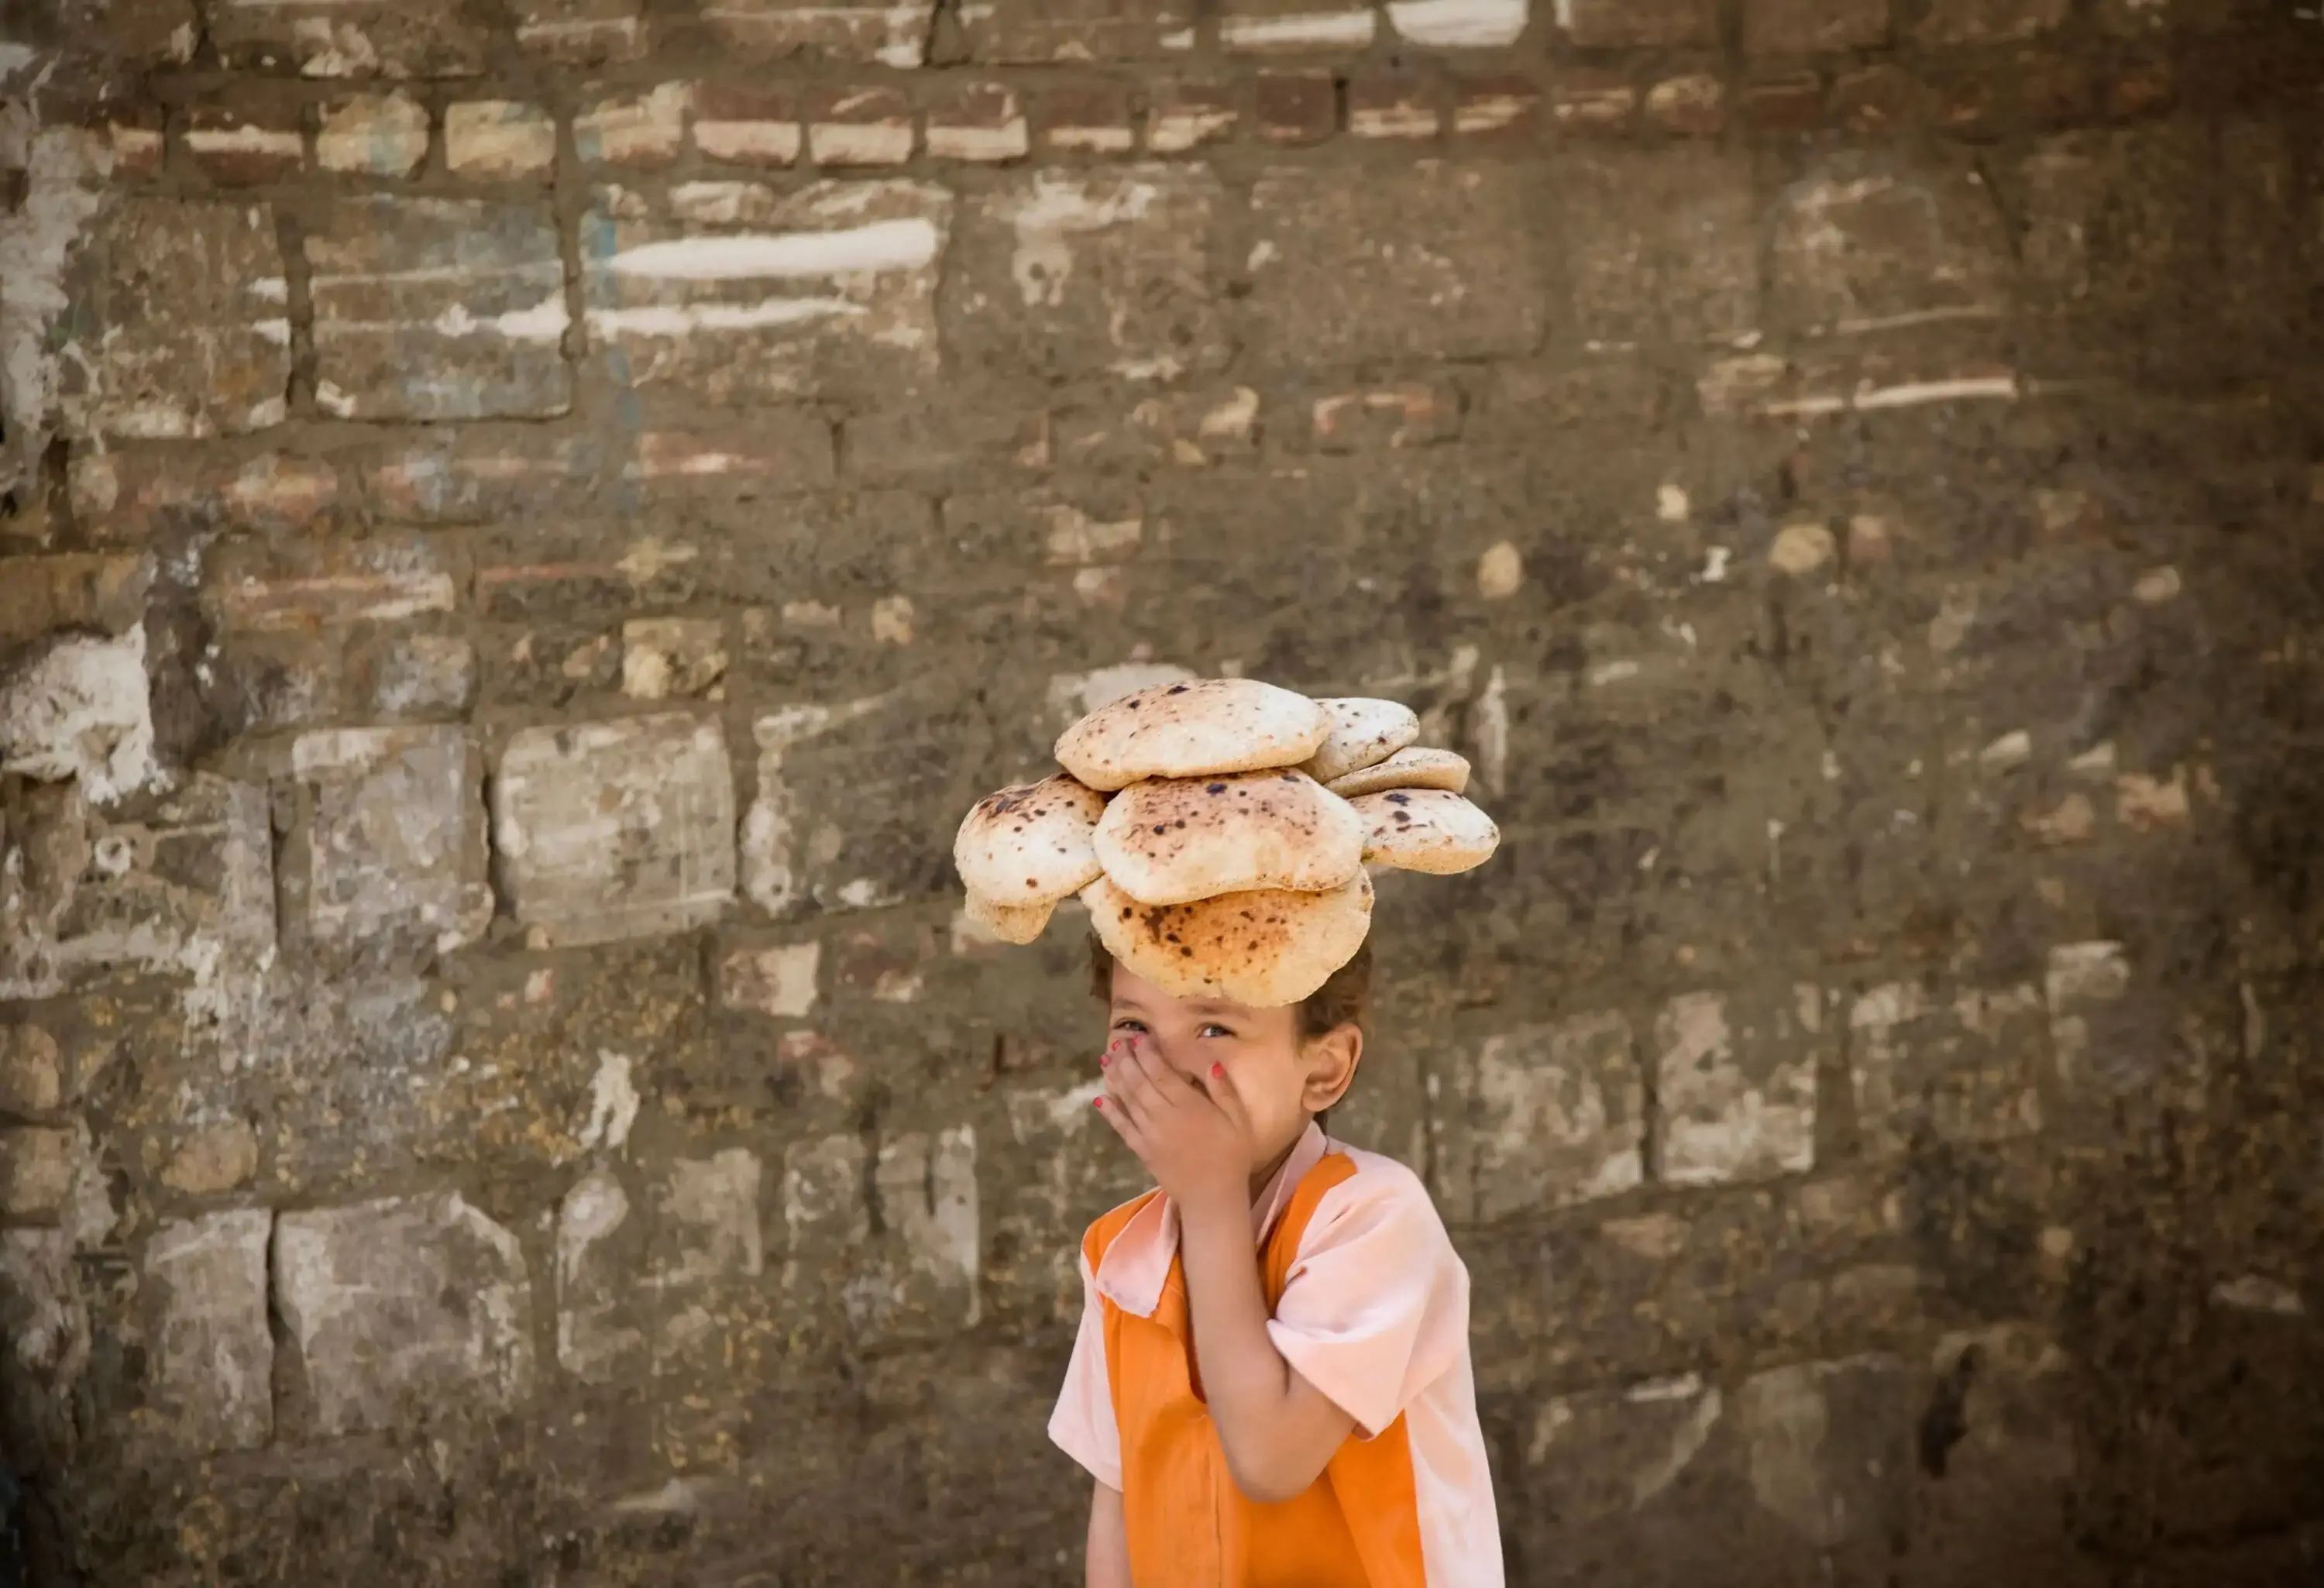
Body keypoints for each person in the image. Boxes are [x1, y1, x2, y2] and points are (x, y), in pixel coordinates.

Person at [1049, 934, 1504, 1586]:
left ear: (1323, 1069)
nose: (1166, 1064)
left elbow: (1271, 1461)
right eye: (1133, 1024)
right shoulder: (1118, 1255)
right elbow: (1118, 1500)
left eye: (1214, 1026)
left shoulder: (1373, 1216)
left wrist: (1212, 1199)